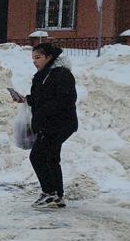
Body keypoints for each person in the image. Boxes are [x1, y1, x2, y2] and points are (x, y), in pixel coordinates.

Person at [9, 41, 78, 208]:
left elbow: (65, 100)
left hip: (58, 124)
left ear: (49, 57)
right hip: (51, 123)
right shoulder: (45, 74)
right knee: (51, 158)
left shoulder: (61, 74)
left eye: (38, 57)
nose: (35, 61)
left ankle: (50, 193)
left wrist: (44, 111)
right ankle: (57, 196)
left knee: (38, 156)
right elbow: (42, 96)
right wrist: (26, 99)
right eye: (33, 58)